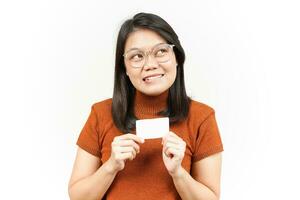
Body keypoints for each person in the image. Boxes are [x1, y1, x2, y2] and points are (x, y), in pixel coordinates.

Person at [68, 12, 224, 200]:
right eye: (137, 56)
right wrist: (111, 166)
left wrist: (178, 173)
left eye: (161, 51)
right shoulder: (100, 114)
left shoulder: (202, 117)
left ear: (177, 58)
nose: (150, 64)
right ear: (124, 67)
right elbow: (77, 197)